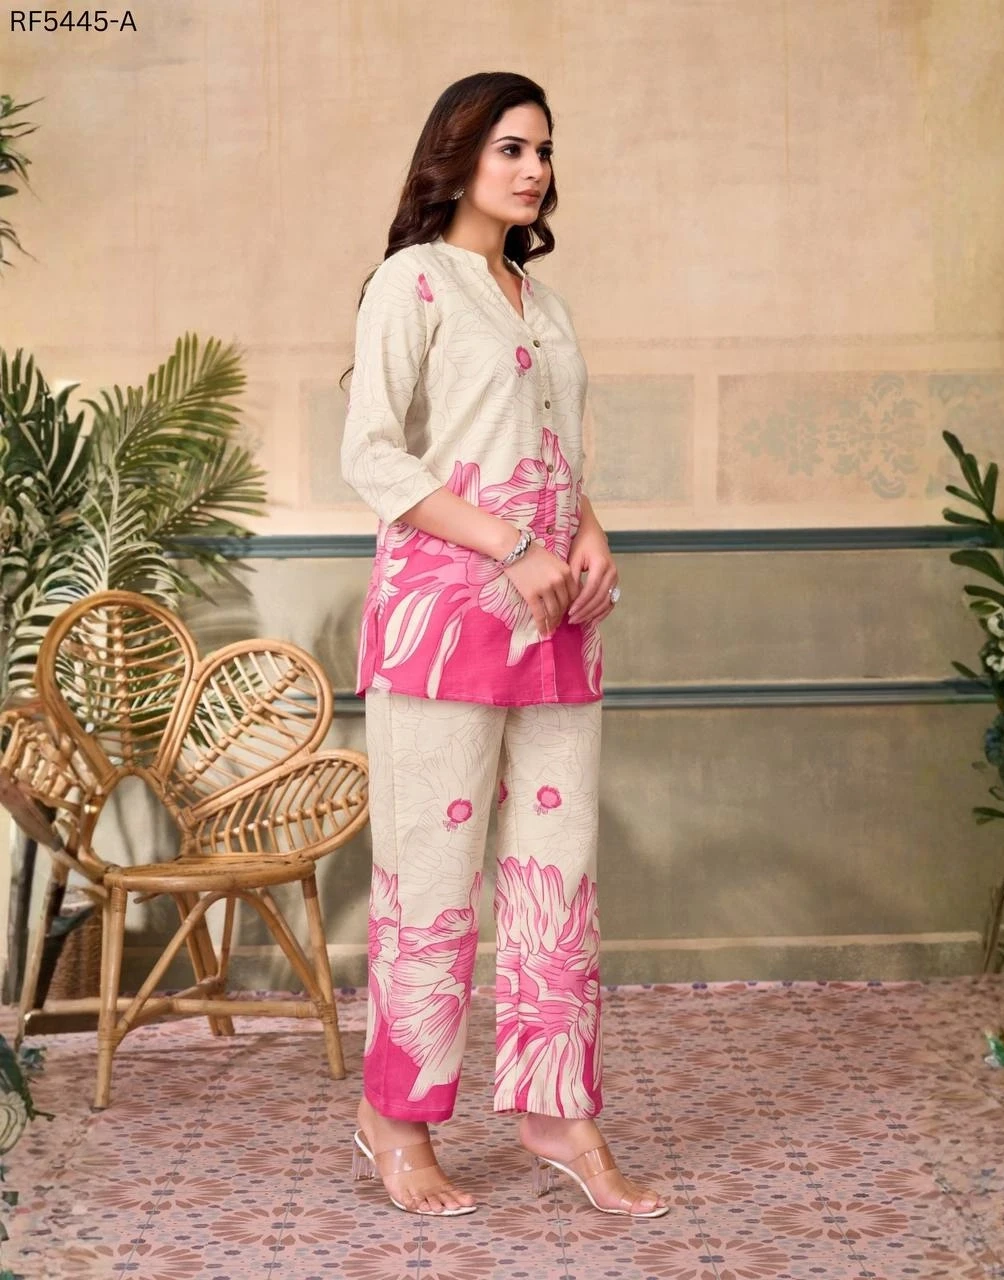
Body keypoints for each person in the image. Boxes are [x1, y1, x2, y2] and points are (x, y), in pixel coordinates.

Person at [338, 71, 668, 1220]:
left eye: (544, 150)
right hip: (443, 623)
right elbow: (373, 455)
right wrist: (513, 544)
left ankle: (555, 1108)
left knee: (553, 879)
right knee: (431, 883)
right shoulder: (411, 282)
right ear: (459, 156)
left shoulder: (543, 300)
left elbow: (557, 451)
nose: (533, 169)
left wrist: (589, 532)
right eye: (511, 148)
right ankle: (397, 1116)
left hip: (557, 622)